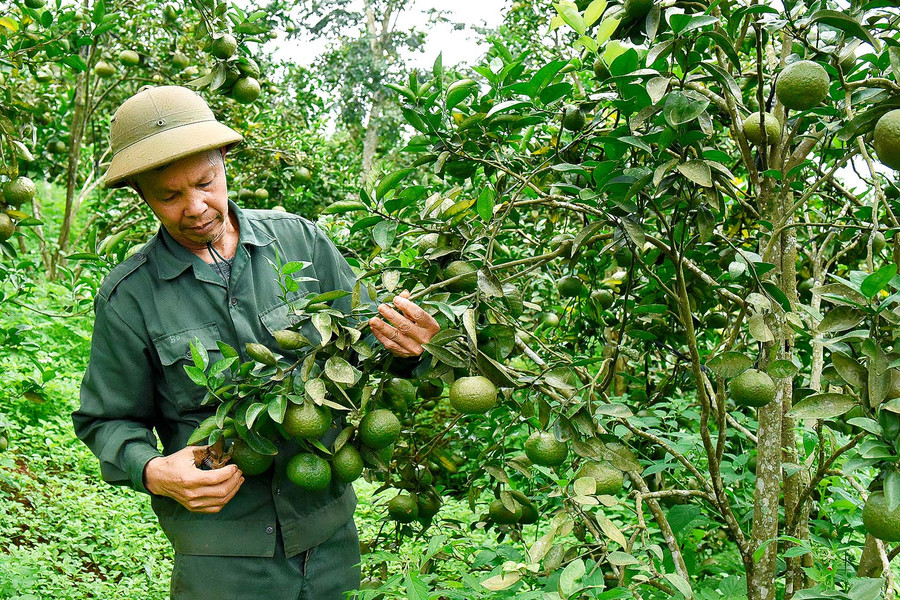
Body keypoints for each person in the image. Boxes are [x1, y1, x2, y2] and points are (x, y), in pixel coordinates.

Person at [72, 85, 439, 599]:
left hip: (329, 538)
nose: (196, 206)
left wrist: (409, 350)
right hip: (223, 558)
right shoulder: (129, 297)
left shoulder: (300, 241)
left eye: (205, 182)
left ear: (223, 159)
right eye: (169, 196)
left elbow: (365, 345)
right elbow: (107, 419)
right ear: (140, 194)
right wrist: (153, 470)